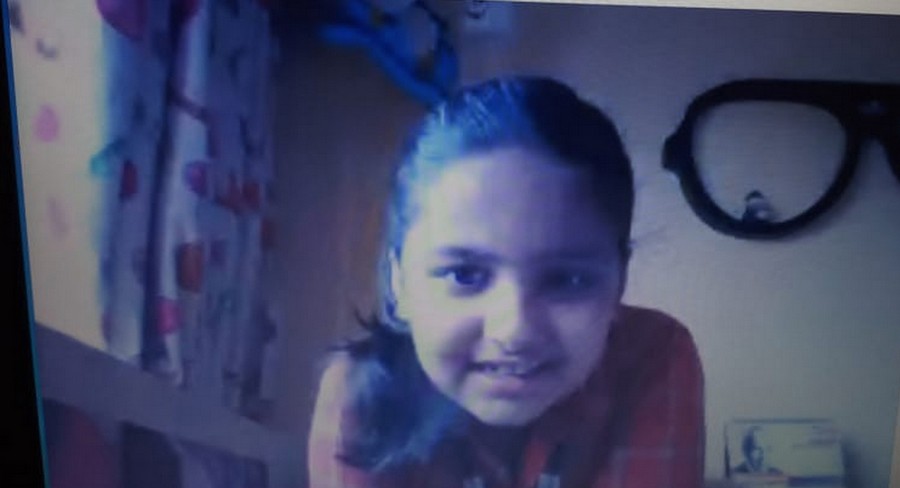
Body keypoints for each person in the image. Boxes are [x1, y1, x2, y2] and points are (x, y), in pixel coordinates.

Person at [308, 77, 705, 488]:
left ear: (618, 283)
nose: (514, 331)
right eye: (464, 274)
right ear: (400, 284)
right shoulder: (360, 395)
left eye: (566, 279)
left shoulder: (651, 355)